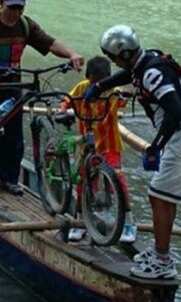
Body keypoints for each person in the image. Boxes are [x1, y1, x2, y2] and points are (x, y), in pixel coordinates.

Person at [84, 25, 181, 279]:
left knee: (159, 196)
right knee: (162, 196)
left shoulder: (152, 73)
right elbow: (129, 75)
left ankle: (162, 261)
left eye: (114, 57)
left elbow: (174, 111)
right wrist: (101, 87)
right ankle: (159, 252)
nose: (112, 61)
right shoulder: (146, 60)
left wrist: (156, 145)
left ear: (126, 53)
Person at [0, 0, 84, 195]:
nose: (15, 12)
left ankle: (9, 179)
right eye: (11, 7)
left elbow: (49, 43)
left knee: (14, 137)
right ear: (1, 3)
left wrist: (71, 53)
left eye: (19, 8)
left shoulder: (25, 26)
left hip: (11, 90)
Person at [58, 56, 135, 243]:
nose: (99, 84)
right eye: (95, 79)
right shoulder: (82, 88)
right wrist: (61, 109)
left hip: (109, 145)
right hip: (86, 143)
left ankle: (128, 223)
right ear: (88, 76)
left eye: (104, 80)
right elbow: (66, 101)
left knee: (118, 178)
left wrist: (128, 94)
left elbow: (125, 96)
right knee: (82, 181)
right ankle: (80, 221)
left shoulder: (112, 91)